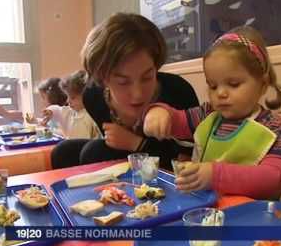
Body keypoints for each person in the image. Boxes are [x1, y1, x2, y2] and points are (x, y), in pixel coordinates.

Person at [143, 26, 281, 200]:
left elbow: (274, 180)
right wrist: (159, 112)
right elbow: (178, 121)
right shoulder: (207, 114)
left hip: (252, 218)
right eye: (213, 86)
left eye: (234, 84)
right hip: (205, 213)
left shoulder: (275, 128)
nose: (220, 93)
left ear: (263, 84)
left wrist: (215, 176)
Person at [51, 13, 199, 170]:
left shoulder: (178, 91)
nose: (138, 94)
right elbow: (113, 143)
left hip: (165, 164)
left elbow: (187, 161)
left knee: (93, 152)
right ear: (102, 78)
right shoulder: (93, 96)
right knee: (64, 151)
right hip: (130, 159)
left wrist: (137, 143)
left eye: (147, 77)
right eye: (122, 82)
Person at [40, 70, 100, 139]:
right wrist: (50, 111)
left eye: (73, 98)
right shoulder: (72, 112)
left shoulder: (90, 116)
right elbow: (59, 110)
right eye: (67, 96)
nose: (68, 101)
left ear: (87, 95)